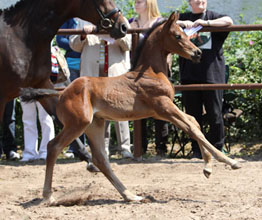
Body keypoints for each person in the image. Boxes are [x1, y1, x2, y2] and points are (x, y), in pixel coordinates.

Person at [69, 19, 133, 159]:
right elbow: (74, 45)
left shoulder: (120, 20)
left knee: (120, 110)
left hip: (115, 74)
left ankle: (125, 148)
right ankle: (102, 149)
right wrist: (83, 35)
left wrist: (115, 33)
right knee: (98, 113)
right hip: (93, 76)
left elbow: (129, 44)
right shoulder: (84, 20)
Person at [177, 0, 233, 158]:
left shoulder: (213, 16)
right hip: (189, 75)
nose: (199, 1)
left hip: (212, 75)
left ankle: (217, 148)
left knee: (215, 114)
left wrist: (206, 23)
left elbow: (229, 21)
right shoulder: (184, 17)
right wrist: (183, 23)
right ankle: (197, 150)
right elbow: (163, 22)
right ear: (189, 2)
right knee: (192, 116)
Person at [129, 0, 169, 156]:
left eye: (139, 1)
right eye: (135, 2)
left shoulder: (160, 23)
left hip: (156, 73)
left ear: (149, 4)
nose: (136, 4)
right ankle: (140, 147)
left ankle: (161, 147)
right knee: (138, 108)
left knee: (161, 108)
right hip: (137, 73)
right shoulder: (131, 22)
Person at [56, 18, 86, 159]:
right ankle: (74, 146)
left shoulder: (90, 18)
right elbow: (59, 39)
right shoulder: (68, 20)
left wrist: (75, 42)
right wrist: (76, 43)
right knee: (73, 108)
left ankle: (86, 145)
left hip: (88, 63)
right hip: (71, 65)